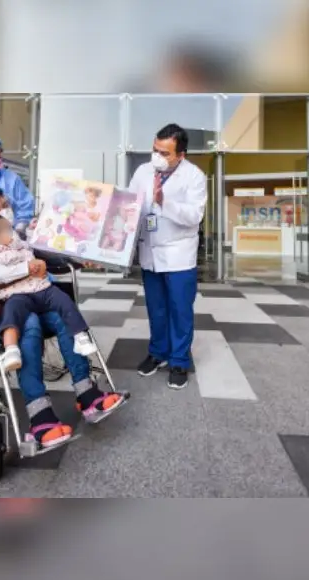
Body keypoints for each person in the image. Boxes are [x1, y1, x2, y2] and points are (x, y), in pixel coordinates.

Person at [0, 189, 126, 449]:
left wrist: (80, 256)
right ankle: (40, 418)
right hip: (4, 314)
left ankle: (87, 394)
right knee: (31, 324)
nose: (7, 210)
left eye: (7, 205)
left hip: (37, 301)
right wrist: (25, 272)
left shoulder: (16, 237)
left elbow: (47, 254)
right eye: (1, 207)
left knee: (61, 318)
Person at [128, 123, 207, 390]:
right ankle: (158, 353)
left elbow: (195, 216)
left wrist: (165, 202)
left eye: (165, 153)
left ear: (181, 154)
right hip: (150, 251)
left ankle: (179, 361)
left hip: (178, 256)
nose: (157, 157)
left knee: (180, 310)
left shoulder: (194, 176)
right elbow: (131, 205)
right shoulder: (142, 171)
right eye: (155, 150)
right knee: (156, 308)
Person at [0, 215, 98, 372]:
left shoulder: (20, 246)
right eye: (8, 230)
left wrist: (34, 229)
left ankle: (81, 336)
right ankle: (11, 350)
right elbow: (0, 276)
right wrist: (28, 268)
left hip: (42, 288)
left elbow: (33, 243)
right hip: (17, 295)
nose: (12, 233)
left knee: (64, 300)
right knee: (11, 312)